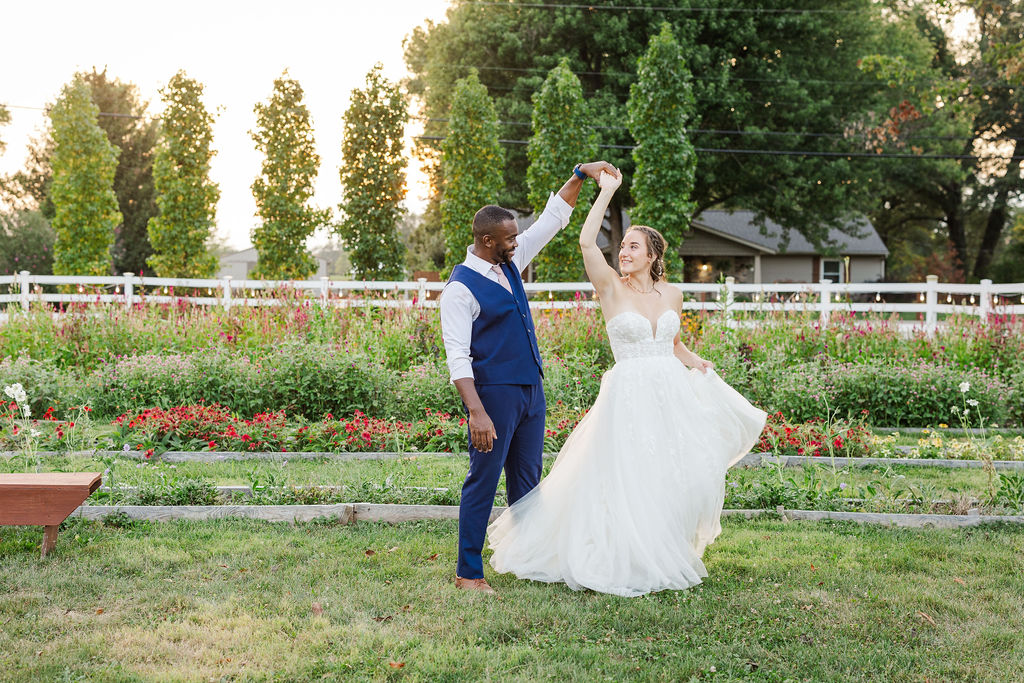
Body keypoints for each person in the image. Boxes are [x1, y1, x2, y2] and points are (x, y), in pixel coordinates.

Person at [487, 169, 768, 597]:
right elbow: (585, 242)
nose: (623, 252)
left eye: (632, 246)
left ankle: (662, 544)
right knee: (625, 474)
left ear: (653, 255)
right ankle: (622, 550)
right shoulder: (610, 289)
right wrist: (608, 192)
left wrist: (697, 363)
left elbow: (673, 344)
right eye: (621, 247)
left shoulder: (672, 295)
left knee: (667, 472)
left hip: (669, 392)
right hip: (629, 394)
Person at [440, 161, 619, 595]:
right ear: (487, 241)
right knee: (482, 479)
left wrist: (579, 174)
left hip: (530, 389)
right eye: (508, 238)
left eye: (516, 237)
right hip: (493, 396)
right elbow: (457, 358)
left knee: (528, 480)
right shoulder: (460, 289)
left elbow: (553, 218)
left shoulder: (510, 260)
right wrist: (477, 413)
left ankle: (529, 560)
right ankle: (468, 573)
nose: (517, 242)